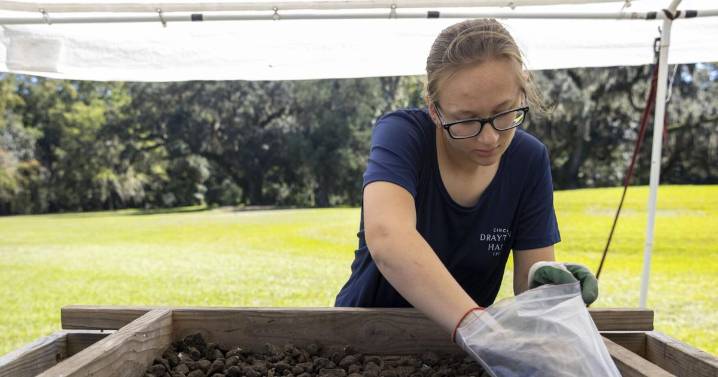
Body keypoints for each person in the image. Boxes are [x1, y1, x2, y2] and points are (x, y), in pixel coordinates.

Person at [334, 18, 598, 343]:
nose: (489, 138)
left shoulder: (529, 160)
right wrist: (477, 326)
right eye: (465, 119)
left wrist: (549, 288)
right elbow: (388, 237)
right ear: (435, 111)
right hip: (364, 341)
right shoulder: (402, 135)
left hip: (462, 349)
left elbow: (531, 284)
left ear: (522, 90)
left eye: (504, 113)